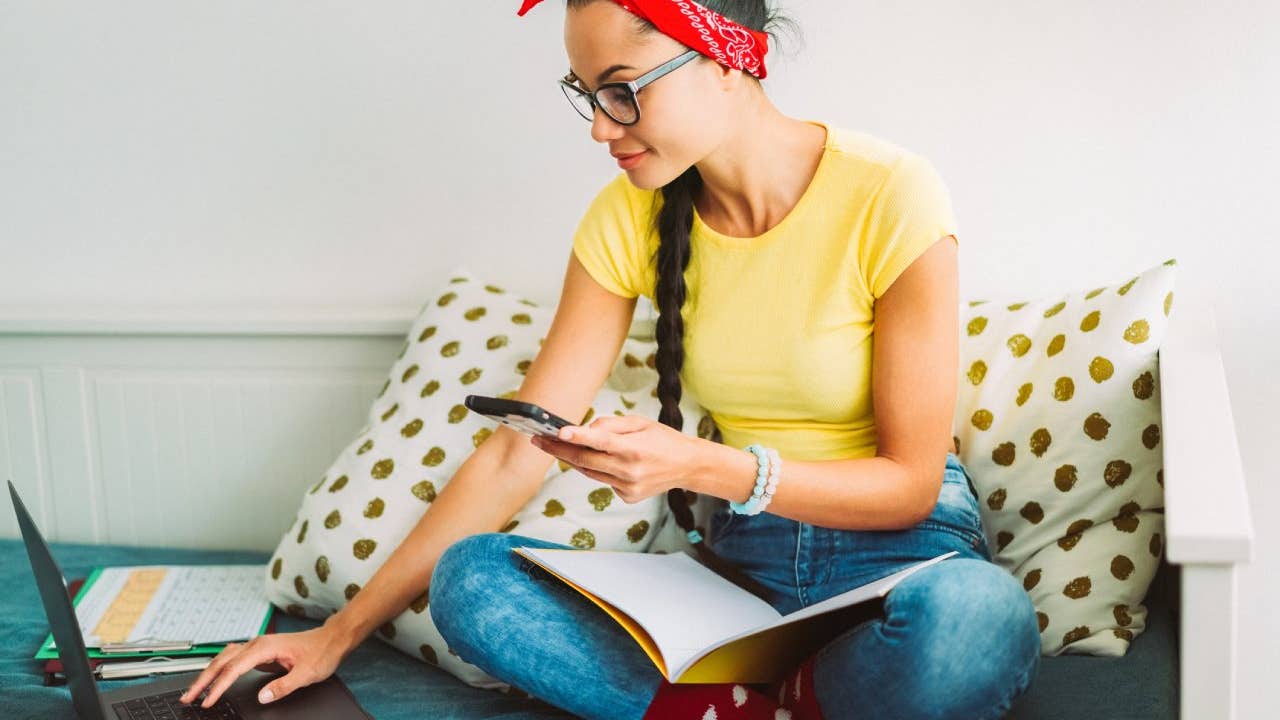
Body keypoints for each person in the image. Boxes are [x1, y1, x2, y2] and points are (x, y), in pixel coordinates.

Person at [180, 1, 1042, 718]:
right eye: (585, 94)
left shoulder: (890, 193)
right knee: (472, 580)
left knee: (977, 616)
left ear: (727, 58)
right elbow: (513, 453)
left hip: (898, 559)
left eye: (622, 92)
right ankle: (779, 702)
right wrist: (336, 635)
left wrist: (707, 465)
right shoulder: (626, 218)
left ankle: (738, 706)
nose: (599, 127)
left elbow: (909, 483)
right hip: (742, 575)